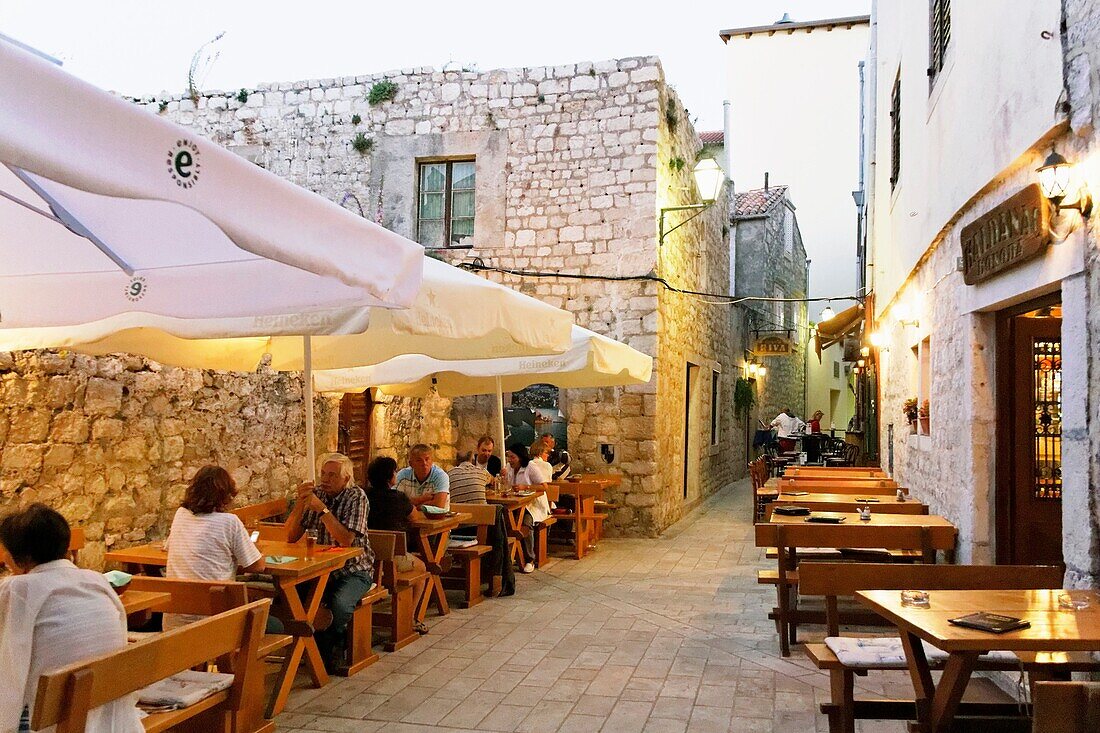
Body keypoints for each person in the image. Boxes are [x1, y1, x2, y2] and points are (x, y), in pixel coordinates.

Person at [0, 504, 144, 733]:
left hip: (55, 722)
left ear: (20, 557)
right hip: (110, 718)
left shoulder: (19, 588)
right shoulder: (97, 581)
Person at [285, 452, 375, 671]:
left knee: (339, 604)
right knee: (289, 598)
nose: (325, 479)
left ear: (346, 478)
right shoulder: (318, 495)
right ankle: (307, 651)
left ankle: (333, 647)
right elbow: (290, 537)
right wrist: (300, 504)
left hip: (353, 569)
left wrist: (322, 510)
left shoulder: (356, 497)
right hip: (320, 568)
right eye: (323, 474)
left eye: (332, 475)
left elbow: (346, 540)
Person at [163, 465, 270, 631]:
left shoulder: (181, 514)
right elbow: (257, 566)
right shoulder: (229, 522)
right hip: (217, 626)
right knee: (277, 621)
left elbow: (168, 547)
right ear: (226, 495)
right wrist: (257, 550)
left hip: (175, 624)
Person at [364, 456, 429, 634]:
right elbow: (414, 518)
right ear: (390, 477)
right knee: (422, 567)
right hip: (391, 560)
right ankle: (411, 617)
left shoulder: (363, 495)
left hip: (366, 557)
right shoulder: (398, 498)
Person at [395, 444, 450, 509]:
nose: (424, 463)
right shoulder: (403, 475)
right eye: (419, 460)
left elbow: (439, 506)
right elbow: (395, 504)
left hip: (437, 519)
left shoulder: (440, 476)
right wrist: (422, 499)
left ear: (432, 461)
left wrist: (411, 506)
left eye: (427, 459)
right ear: (411, 464)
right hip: (411, 518)